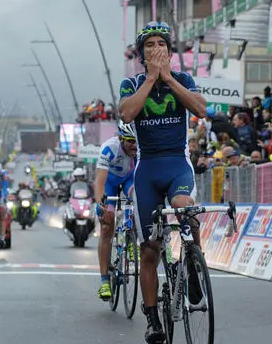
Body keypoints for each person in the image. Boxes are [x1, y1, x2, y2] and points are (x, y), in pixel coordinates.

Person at [119, 21, 207, 343]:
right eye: (150, 45)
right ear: (142, 54)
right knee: (149, 250)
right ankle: (153, 317)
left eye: (161, 44)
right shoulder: (131, 83)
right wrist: (152, 79)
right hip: (147, 170)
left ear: (170, 51)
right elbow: (128, 114)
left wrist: (168, 78)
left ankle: (195, 269)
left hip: (177, 164)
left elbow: (200, 108)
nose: (156, 49)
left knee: (186, 209)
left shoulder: (182, 79)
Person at [94, 120, 137, 301]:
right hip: (109, 182)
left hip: (129, 179)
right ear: (121, 139)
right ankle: (105, 281)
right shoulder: (109, 149)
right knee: (106, 226)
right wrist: (101, 204)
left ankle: (130, 238)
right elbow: (99, 182)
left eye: (136, 141)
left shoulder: (141, 149)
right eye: (130, 141)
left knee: (138, 199)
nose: (134, 146)